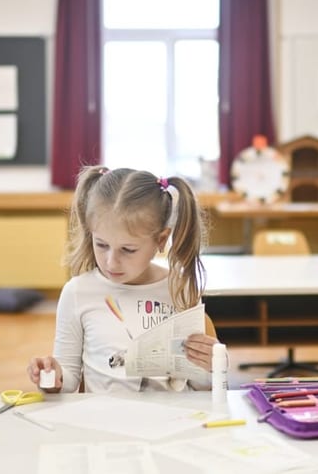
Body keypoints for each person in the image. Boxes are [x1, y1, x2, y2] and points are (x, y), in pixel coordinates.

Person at [26, 166, 218, 393]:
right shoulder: (77, 292)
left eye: (128, 249)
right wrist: (53, 377)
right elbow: (68, 381)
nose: (111, 262)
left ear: (161, 240)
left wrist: (212, 366)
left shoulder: (179, 289)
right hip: (104, 422)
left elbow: (200, 386)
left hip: (171, 422)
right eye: (101, 244)